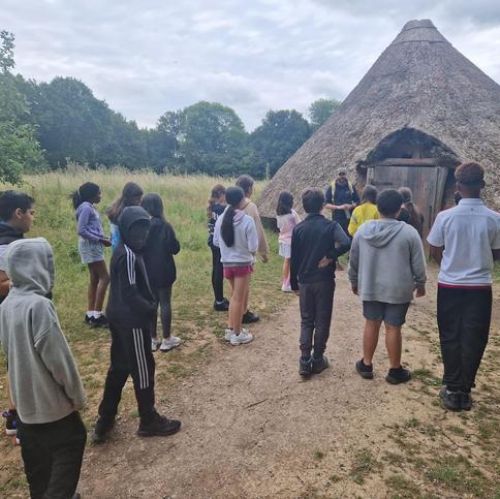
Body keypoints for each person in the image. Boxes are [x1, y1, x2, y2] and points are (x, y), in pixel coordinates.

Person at [0, 238, 87, 499]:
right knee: (72, 441)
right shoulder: (39, 306)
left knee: (38, 467)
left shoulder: (6, 305)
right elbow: (59, 362)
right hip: (53, 408)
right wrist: (77, 396)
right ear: (38, 267)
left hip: (26, 411)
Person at [93, 206, 181, 442]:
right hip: (131, 320)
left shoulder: (122, 250)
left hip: (118, 316)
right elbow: (131, 292)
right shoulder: (129, 255)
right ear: (125, 230)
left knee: (119, 367)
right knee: (143, 369)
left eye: (144, 230)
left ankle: (105, 418)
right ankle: (148, 419)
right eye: (136, 231)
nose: (141, 236)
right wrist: (150, 307)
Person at [427, 162, 500, 411]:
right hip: (480, 287)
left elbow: (435, 249)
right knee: (474, 337)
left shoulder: (445, 217)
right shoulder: (494, 219)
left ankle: (451, 385)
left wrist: (450, 263)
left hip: (450, 284)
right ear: (482, 185)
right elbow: (497, 252)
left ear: (458, 186)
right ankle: (464, 389)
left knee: (449, 334)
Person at [349, 189, 426, 384]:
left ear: (378, 207)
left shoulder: (363, 230)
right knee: (393, 328)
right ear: (399, 209)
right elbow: (418, 263)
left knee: (371, 323)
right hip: (398, 290)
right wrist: (420, 283)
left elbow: (354, 260)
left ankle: (366, 365)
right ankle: (394, 370)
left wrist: (354, 281)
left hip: (370, 286)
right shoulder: (409, 233)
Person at [290, 188, 351, 377]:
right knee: (322, 320)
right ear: (323, 205)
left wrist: (294, 284)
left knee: (306, 320)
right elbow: (347, 242)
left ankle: (304, 360)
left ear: (304, 206)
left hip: (306, 282)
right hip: (324, 281)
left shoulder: (298, 229)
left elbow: (294, 259)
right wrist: (330, 256)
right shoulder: (331, 226)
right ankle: (318, 359)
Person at [0, 191, 35, 440]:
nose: (32, 218)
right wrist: (29, 283)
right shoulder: (6, 243)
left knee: (15, 361)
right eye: (30, 212)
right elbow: (2, 282)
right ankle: (24, 422)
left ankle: (14, 414)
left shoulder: (11, 238)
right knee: (22, 362)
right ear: (18, 213)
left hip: (12, 312)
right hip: (11, 313)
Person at [213, 186, 258, 346]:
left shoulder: (221, 219)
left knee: (234, 296)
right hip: (242, 264)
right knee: (238, 298)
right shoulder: (247, 220)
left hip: (227, 264)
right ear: (242, 201)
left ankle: (231, 328)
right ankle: (237, 334)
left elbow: (216, 242)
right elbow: (253, 247)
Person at [141, 193, 182, 353]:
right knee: (165, 303)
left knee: (152, 303)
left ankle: (152, 339)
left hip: (147, 270)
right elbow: (175, 248)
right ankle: (166, 339)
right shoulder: (165, 226)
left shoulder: (142, 226)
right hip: (165, 270)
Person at [71, 182, 111, 328]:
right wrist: (100, 239)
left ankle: (90, 313)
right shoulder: (86, 208)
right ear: (92, 195)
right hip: (91, 246)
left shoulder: (87, 207)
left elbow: (89, 228)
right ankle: (97, 315)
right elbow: (81, 230)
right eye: (99, 193)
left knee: (95, 279)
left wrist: (102, 237)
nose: (100, 196)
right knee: (105, 277)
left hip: (92, 245)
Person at [235, 175, 269, 324]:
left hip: (231, 251)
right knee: (245, 285)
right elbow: (258, 230)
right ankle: (243, 312)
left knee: (235, 286)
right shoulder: (251, 206)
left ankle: (237, 311)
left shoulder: (231, 205)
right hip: (246, 252)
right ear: (249, 189)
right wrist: (263, 252)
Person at [207, 184, 229, 311]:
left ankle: (218, 298)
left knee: (216, 269)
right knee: (218, 271)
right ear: (221, 194)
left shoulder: (213, 207)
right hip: (218, 242)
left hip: (212, 240)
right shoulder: (220, 208)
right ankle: (219, 301)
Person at [107, 182, 144, 250]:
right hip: (123, 248)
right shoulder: (124, 213)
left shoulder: (117, 209)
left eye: (140, 198)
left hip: (117, 246)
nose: (140, 201)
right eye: (137, 199)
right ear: (128, 198)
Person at [276, 191, 301, 292]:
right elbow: (299, 225)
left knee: (286, 262)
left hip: (283, 240)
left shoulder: (279, 214)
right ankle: (288, 284)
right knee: (293, 263)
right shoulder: (292, 214)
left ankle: (285, 282)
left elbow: (278, 227)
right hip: (292, 241)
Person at [324, 168, 360, 235]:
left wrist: (351, 206)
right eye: (340, 174)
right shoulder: (332, 187)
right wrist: (339, 207)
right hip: (337, 219)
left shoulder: (351, 186)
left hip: (351, 219)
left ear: (346, 175)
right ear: (337, 175)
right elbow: (326, 204)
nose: (342, 176)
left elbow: (358, 202)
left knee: (351, 236)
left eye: (343, 174)